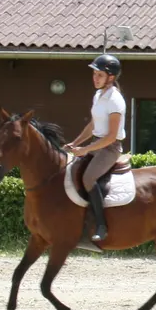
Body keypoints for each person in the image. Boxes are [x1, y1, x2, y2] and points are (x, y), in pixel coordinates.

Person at [65, 53, 127, 248]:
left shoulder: (115, 100)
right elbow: (93, 126)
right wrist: (75, 143)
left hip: (110, 148)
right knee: (70, 171)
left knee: (88, 178)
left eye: (99, 75)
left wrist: (85, 150)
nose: (95, 78)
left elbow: (110, 136)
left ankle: (101, 225)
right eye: (94, 74)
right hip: (97, 144)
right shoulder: (98, 95)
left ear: (111, 77)